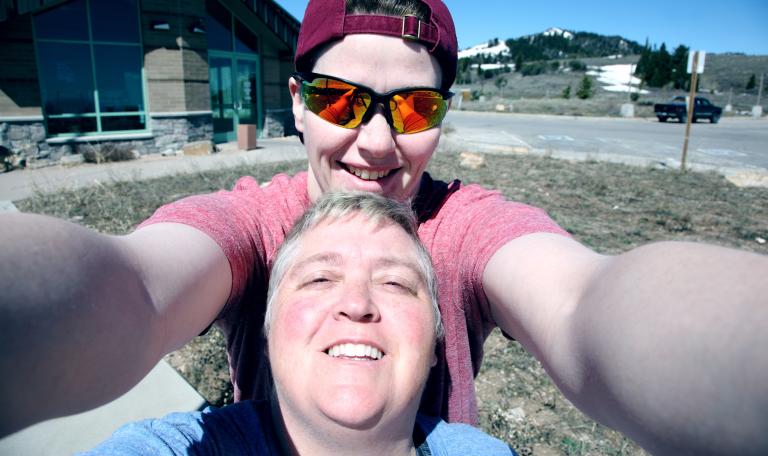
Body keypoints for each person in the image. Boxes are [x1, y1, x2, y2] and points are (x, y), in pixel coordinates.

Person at [0, 0, 766, 454]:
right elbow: (133, 289)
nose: (374, 143)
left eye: (413, 108)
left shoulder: (465, 225)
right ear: (298, 102)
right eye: (340, 101)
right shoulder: (251, 220)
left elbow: (584, 307)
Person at [81, 192, 515, 455]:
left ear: (437, 342)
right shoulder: (192, 446)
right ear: (267, 332)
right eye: (319, 278)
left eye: (397, 283)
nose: (357, 303)